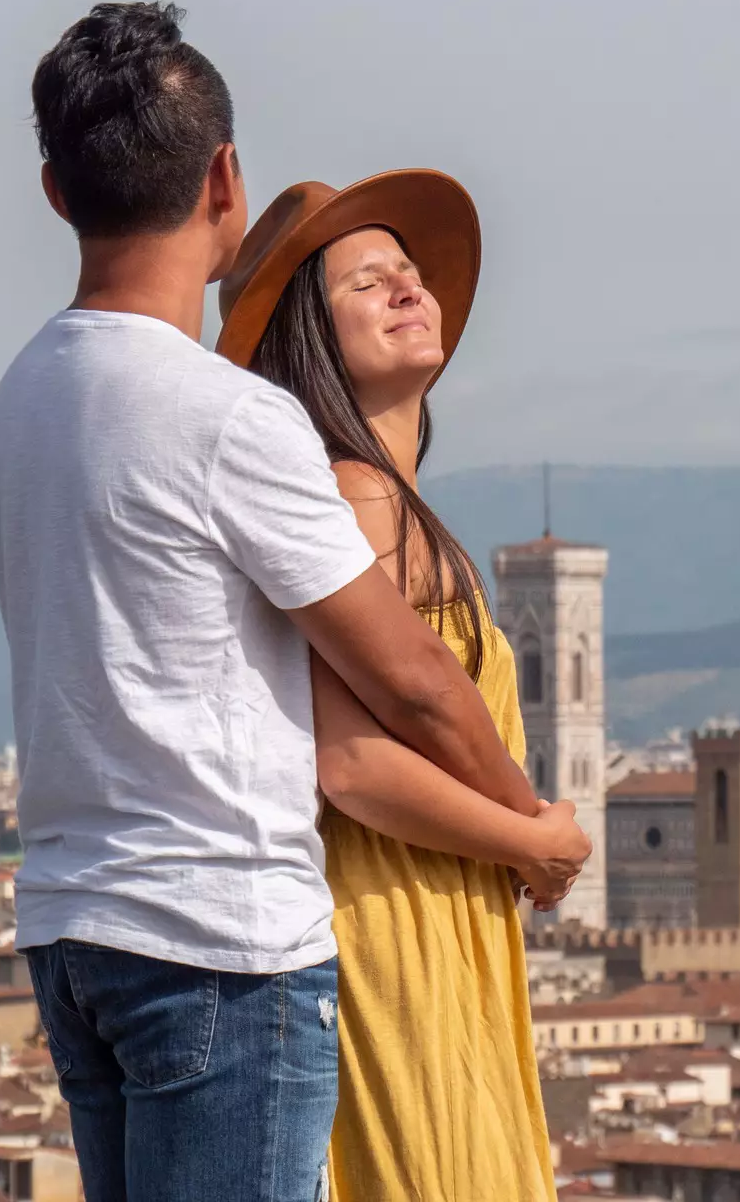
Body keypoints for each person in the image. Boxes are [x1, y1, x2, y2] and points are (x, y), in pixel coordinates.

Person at [0, 3, 588, 1202]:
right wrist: (536, 836)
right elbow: (405, 685)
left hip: (75, 920)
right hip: (222, 939)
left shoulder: (24, 396)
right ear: (223, 179)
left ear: (55, 190)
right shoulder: (229, 418)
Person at [217, 173, 573, 1202]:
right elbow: (353, 764)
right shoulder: (355, 497)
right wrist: (535, 843)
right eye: (367, 284)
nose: (408, 289)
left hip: (441, 915)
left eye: (409, 274)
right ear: (310, 344)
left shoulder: (394, 503)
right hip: (395, 921)